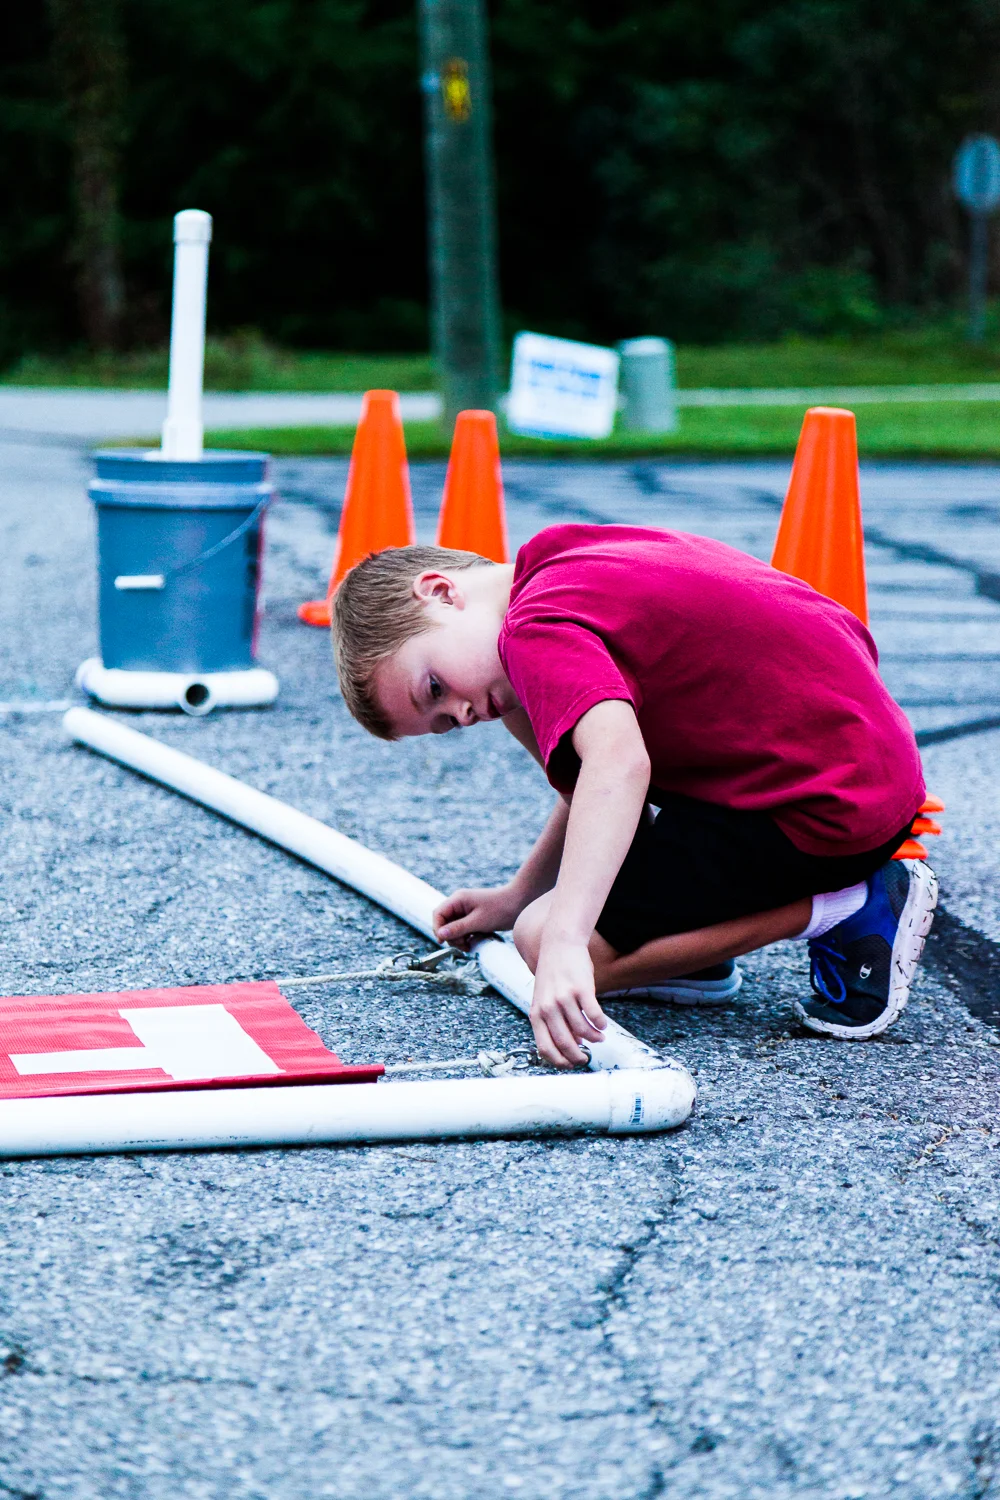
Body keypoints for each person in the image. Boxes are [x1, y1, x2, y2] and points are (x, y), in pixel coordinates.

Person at [332, 524, 937, 1068]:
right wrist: (519, 894)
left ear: (440, 591)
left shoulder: (533, 632)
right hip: (837, 765)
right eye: (443, 723)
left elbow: (618, 766)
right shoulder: (556, 564)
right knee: (556, 910)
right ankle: (693, 960)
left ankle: (853, 906)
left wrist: (565, 943)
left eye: (433, 687)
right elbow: (592, 784)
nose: (460, 713)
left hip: (824, 808)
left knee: (543, 943)